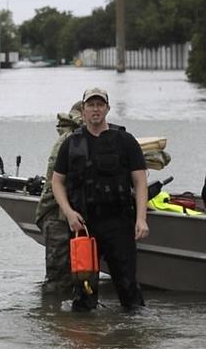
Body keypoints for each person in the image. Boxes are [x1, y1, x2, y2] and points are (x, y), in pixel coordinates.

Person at [51, 87, 149, 311]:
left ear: (107, 108)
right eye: (91, 105)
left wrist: (141, 219)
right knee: (84, 290)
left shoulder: (125, 141)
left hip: (119, 223)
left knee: (128, 288)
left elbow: (140, 181)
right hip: (83, 226)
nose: (95, 109)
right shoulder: (71, 143)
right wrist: (68, 213)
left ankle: (133, 338)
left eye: (100, 104)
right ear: (83, 110)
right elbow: (57, 182)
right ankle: (85, 340)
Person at [34, 101, 82, 293]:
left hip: (69, 215)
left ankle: (61, 319)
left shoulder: (76, 138)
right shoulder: (69, 141)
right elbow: (56, 181)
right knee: (59, 280)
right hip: (57, 216)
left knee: (78, 275)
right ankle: (52, 318)